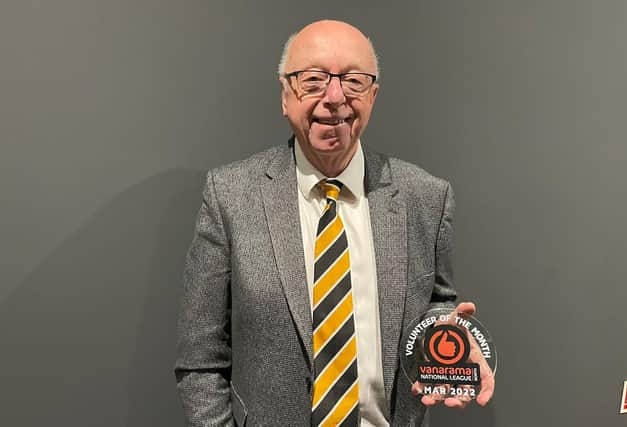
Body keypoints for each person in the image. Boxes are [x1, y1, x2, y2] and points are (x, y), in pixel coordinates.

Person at [175, 19, 494, 427]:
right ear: (285, 95)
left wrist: (448, 340)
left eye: (353, 81)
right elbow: (200, 361)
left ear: (373, 96)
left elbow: (436, 304)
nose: (335, 97)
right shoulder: (230, 196)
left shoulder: (425, 197)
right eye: (313, 80)